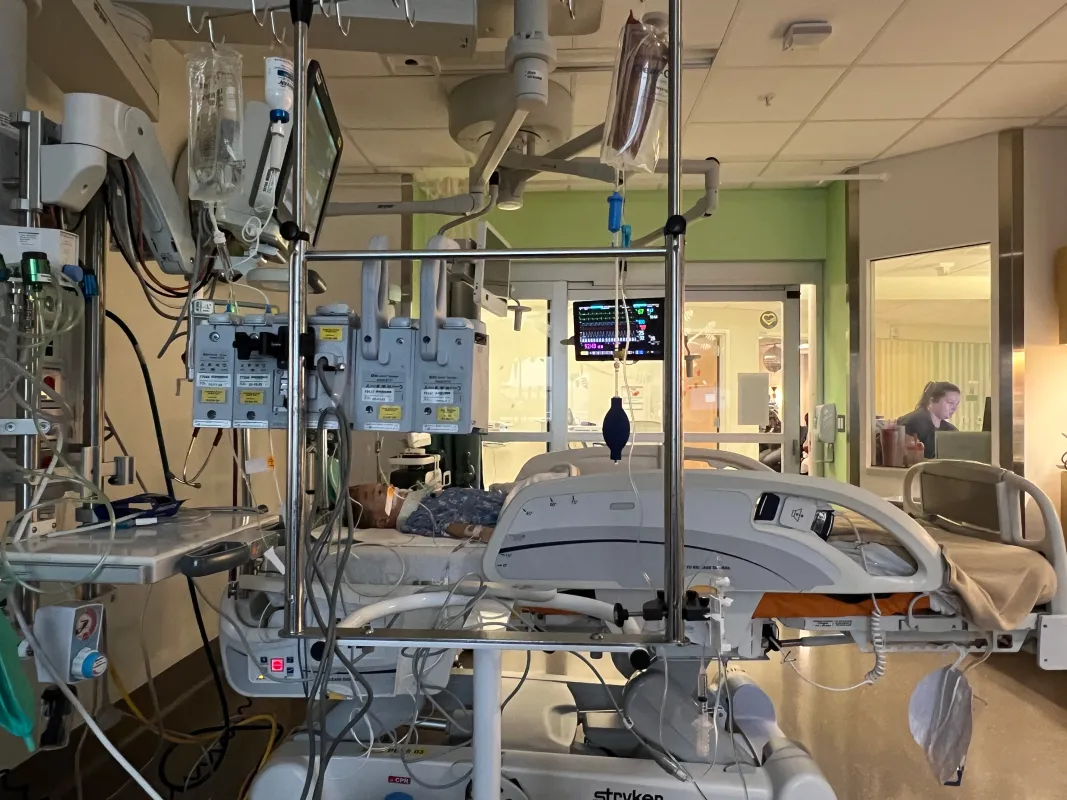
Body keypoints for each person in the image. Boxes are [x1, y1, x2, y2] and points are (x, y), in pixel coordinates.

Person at [896, 381, 961, 459]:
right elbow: (905, 458)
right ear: (931, 401)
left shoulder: (951, 430)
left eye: (956, 404)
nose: (954, 408)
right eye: (950, 402)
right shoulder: (913, 423)